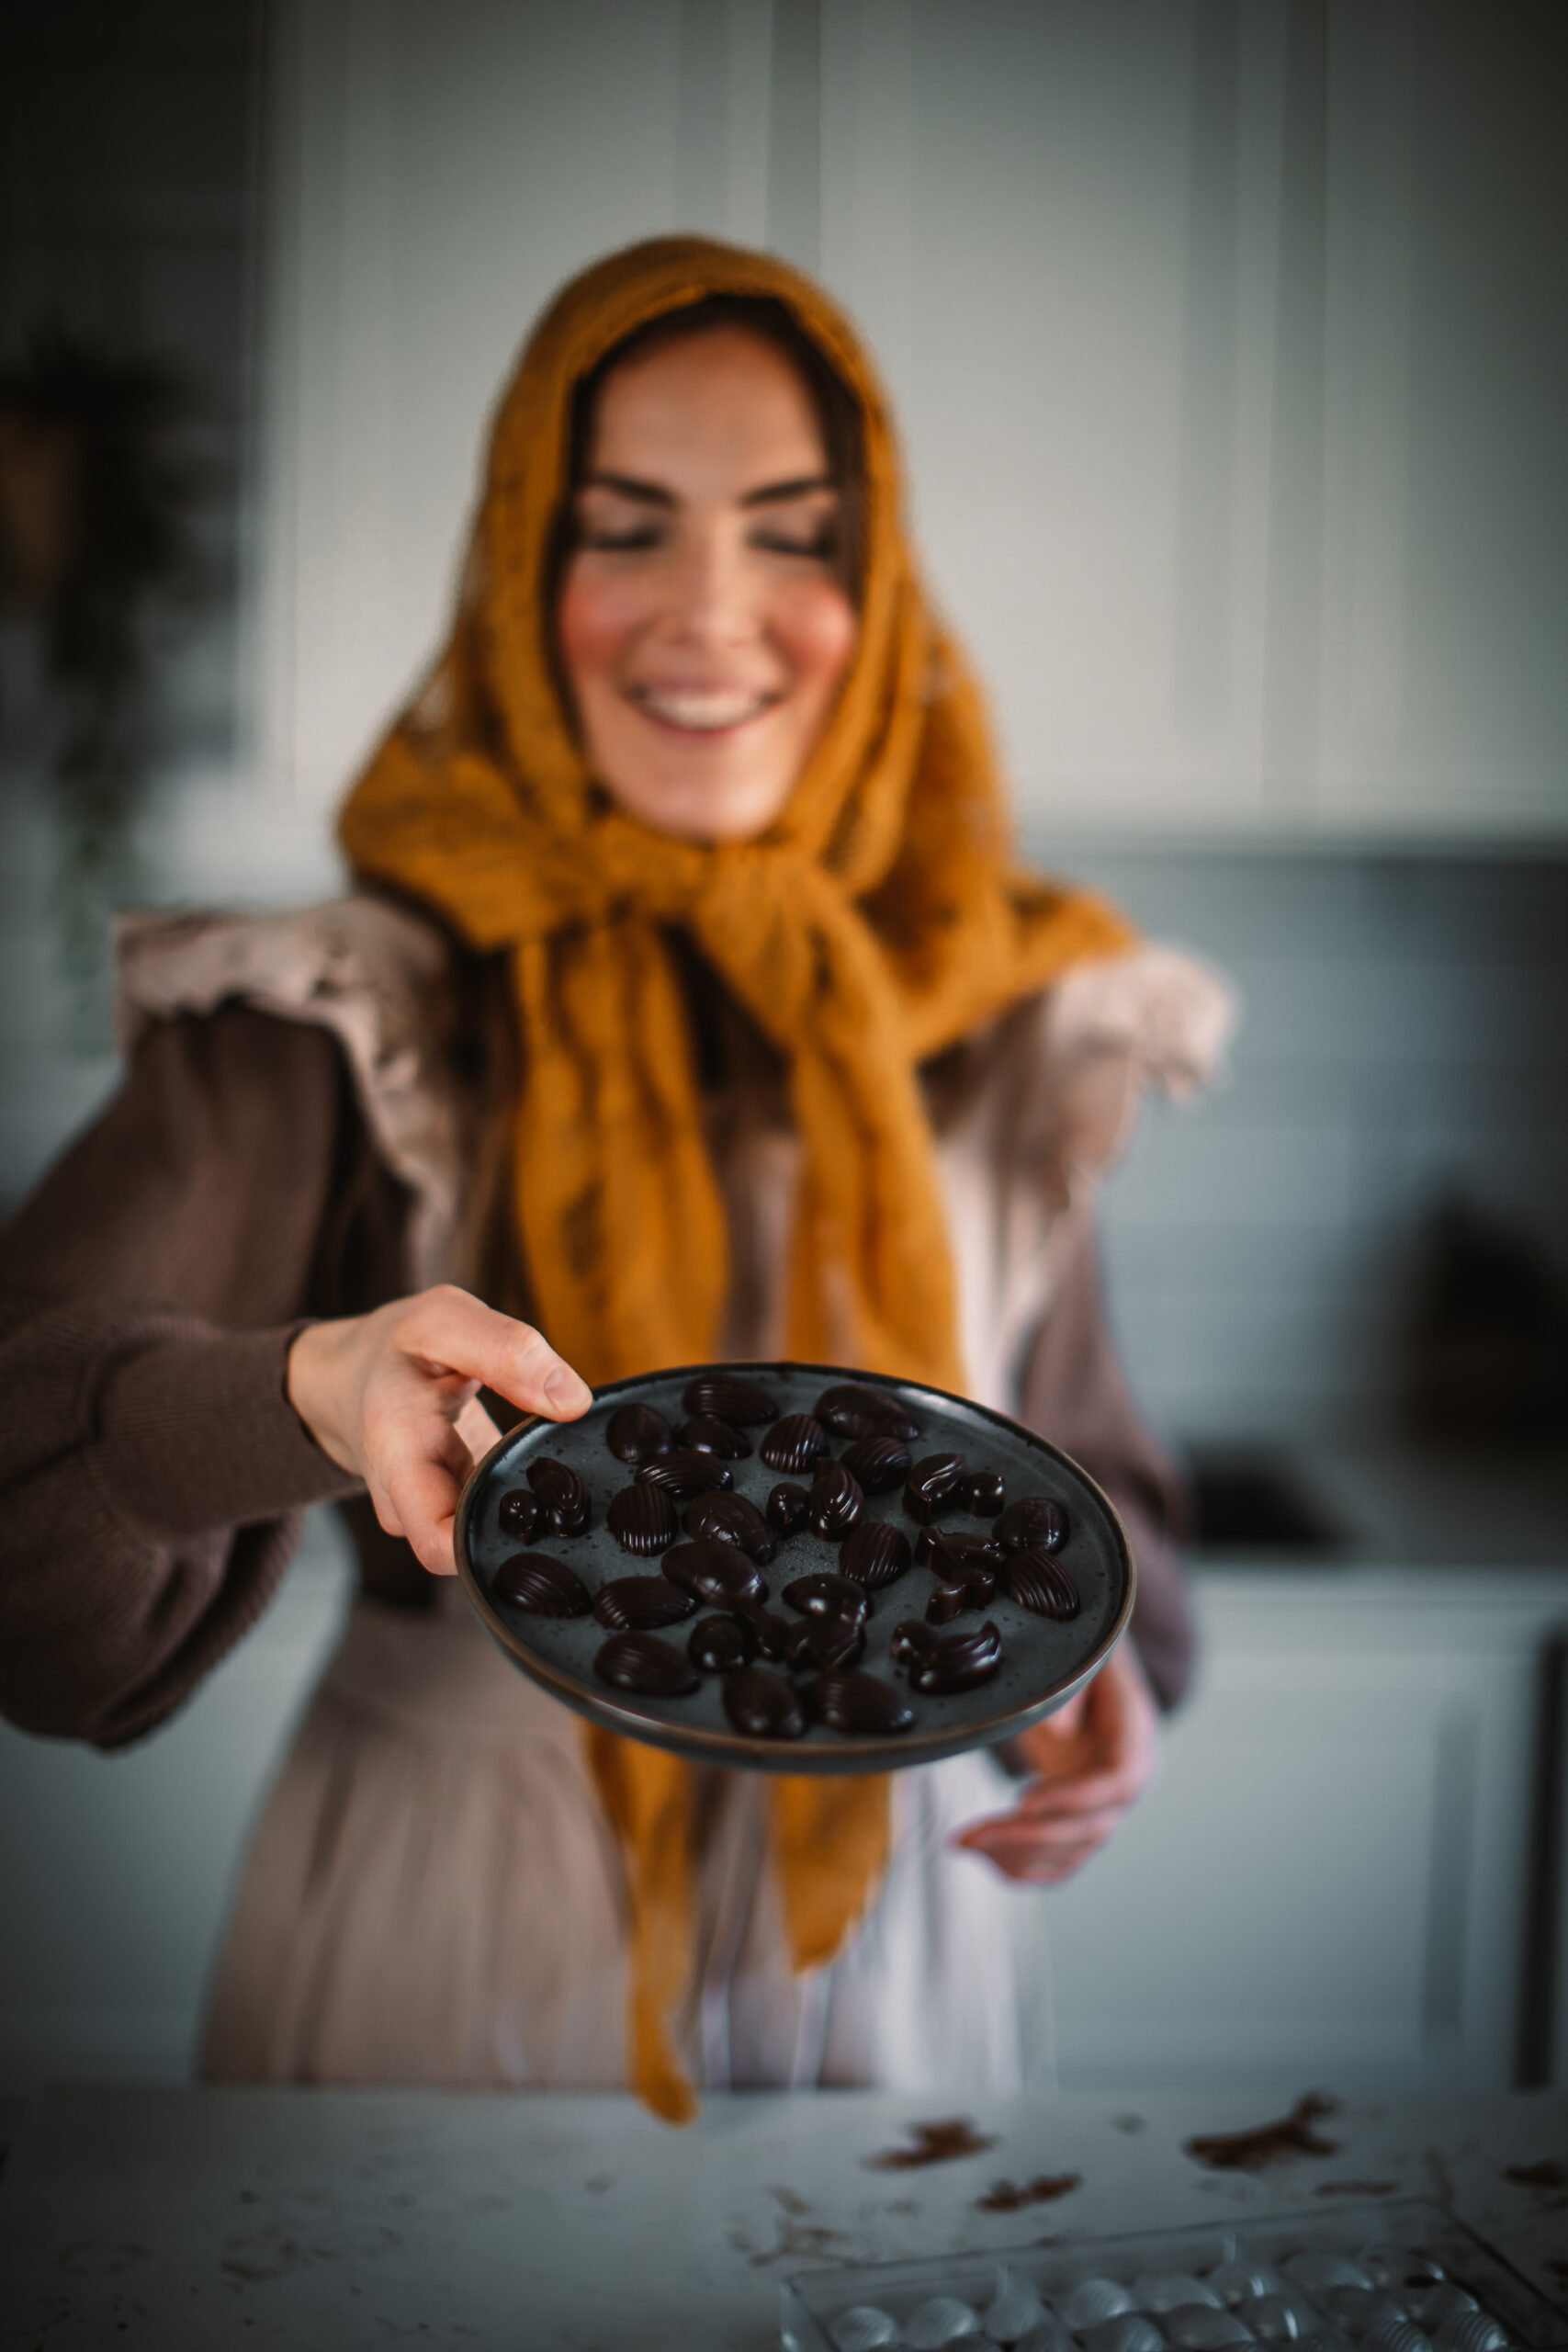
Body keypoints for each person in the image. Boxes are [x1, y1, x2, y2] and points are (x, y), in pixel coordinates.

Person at [0, 238, 1231, 2119]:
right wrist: (302, 1389)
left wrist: (1089, 1677)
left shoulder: (992, 1016)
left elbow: (1078, 1490)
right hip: (455, 1956)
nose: (710, 614)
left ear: (874, 583)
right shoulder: (334, 1018)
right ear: (516, 567)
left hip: (896, 1979)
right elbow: (27, 1555)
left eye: (794, 533)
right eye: (622, 527)